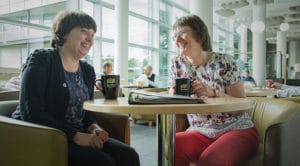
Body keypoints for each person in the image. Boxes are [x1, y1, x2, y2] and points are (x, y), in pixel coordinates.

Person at [11, 10, 139, 166]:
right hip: (44, 137)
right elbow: (31, 112)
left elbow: (87, 115)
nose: (89, 39)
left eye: (92, 35)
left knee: (129, 155)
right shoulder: (41, 60)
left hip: (77, 135)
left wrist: (94, 128)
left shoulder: (87, 70)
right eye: (84, 32)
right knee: (102, 162)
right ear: (64, 33)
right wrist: (76, 136)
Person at [169, 15, 258, 166]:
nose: (177, 40)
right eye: (174, 36)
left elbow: (240, 108)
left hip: (235, 129)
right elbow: (174, 100)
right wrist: (173, 95)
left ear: (199, 33)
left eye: (181, 33)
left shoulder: (225, 61)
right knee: (171, 146)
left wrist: (214, 93)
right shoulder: (176, 64)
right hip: (200, 131)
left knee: (210, 160)